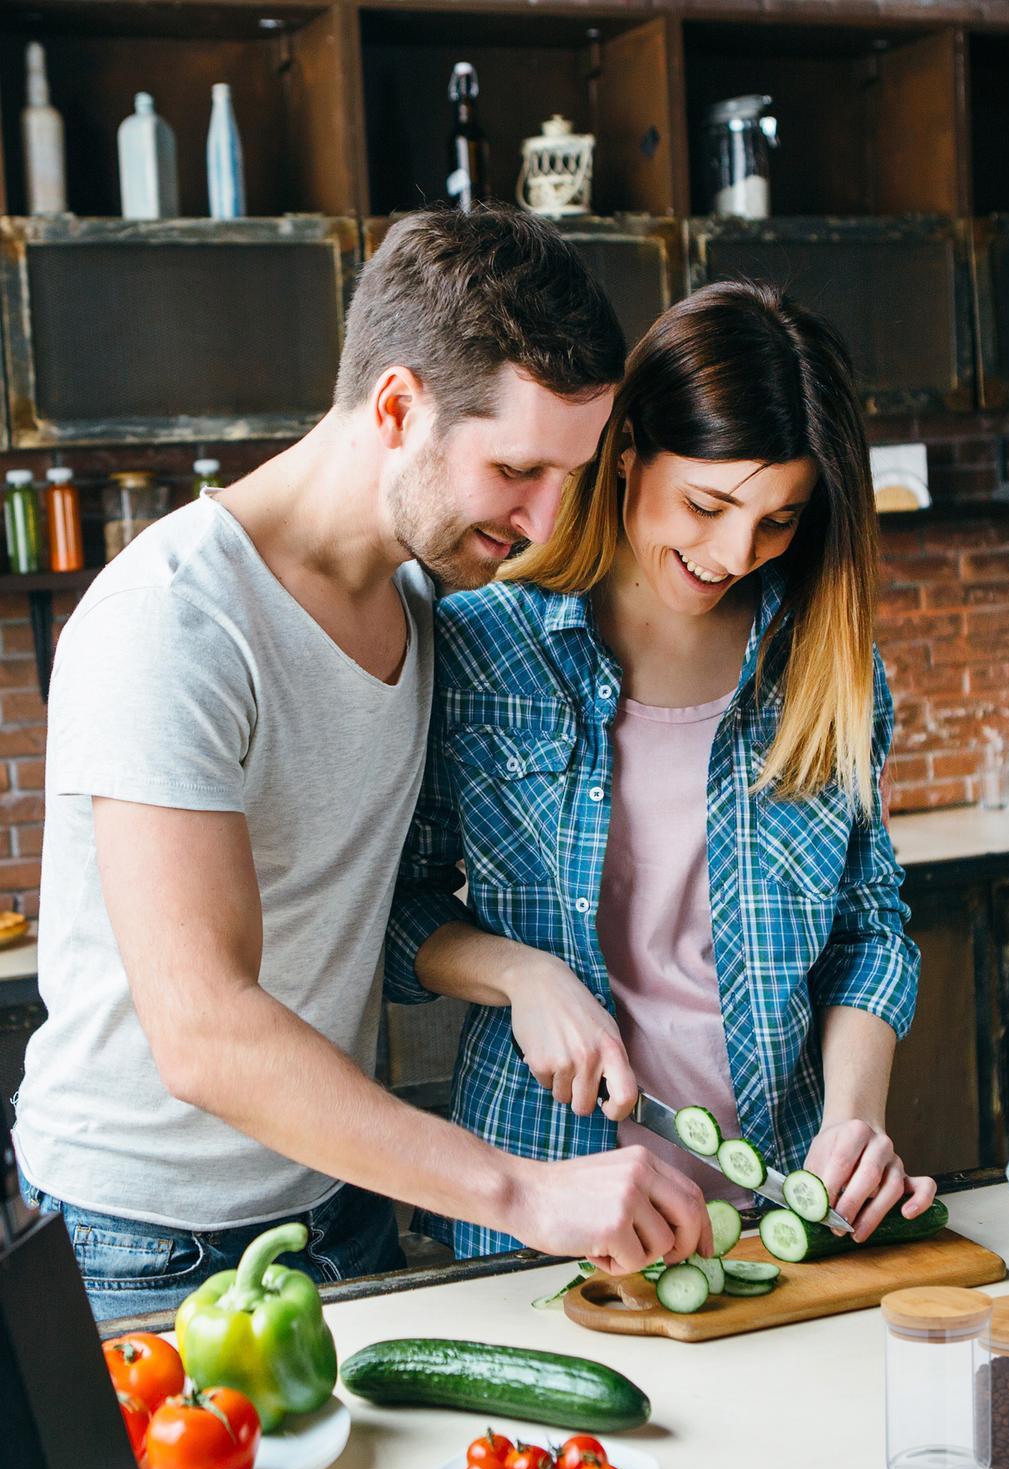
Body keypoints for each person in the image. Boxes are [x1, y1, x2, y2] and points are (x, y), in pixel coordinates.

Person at [11, 205, 713, 1323]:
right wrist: (522, 1193)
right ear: (397, 407)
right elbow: (203, 1031)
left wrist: (526, 970)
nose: (544, 521)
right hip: (143, 1242)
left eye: (568, 476)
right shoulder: (176, 620)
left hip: (343, 1201)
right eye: (517, 469)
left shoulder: (426, 600)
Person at [387, 280, 935, 1260]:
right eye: (709, 504)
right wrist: (520, 974)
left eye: (779, 520)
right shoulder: (482, 647)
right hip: (546, 1201)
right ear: (627, 452)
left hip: (782, 1209)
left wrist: (856, 1120)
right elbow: (400, 909)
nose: (735, 553)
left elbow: (870, 925)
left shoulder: (828, 671)